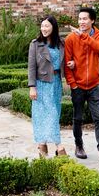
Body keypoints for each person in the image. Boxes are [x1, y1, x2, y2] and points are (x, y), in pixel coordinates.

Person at [64, 6, 99, 162]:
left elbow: (98, 47)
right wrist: (73, 84)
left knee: (98, 118)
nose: (81, 22)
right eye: (79, 19)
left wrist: (84, 36)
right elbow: (67, 63)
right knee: (77, 118)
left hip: (94, 85)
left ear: (92, 20)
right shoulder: (71, 38)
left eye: (84, 19)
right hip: (78, 85)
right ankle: (79, 146)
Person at [27, 15, 68, 158]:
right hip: (42, 84)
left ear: (53, 28)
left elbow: (66, 61)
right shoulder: (35, 44)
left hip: (56, 83)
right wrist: (32, 87)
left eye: (47, 26)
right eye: (42, 26)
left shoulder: (61, 43)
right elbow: (31, 67)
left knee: (54, 114)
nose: (44, 29)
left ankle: (42, 145)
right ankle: (59, 145)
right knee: (43, 115)